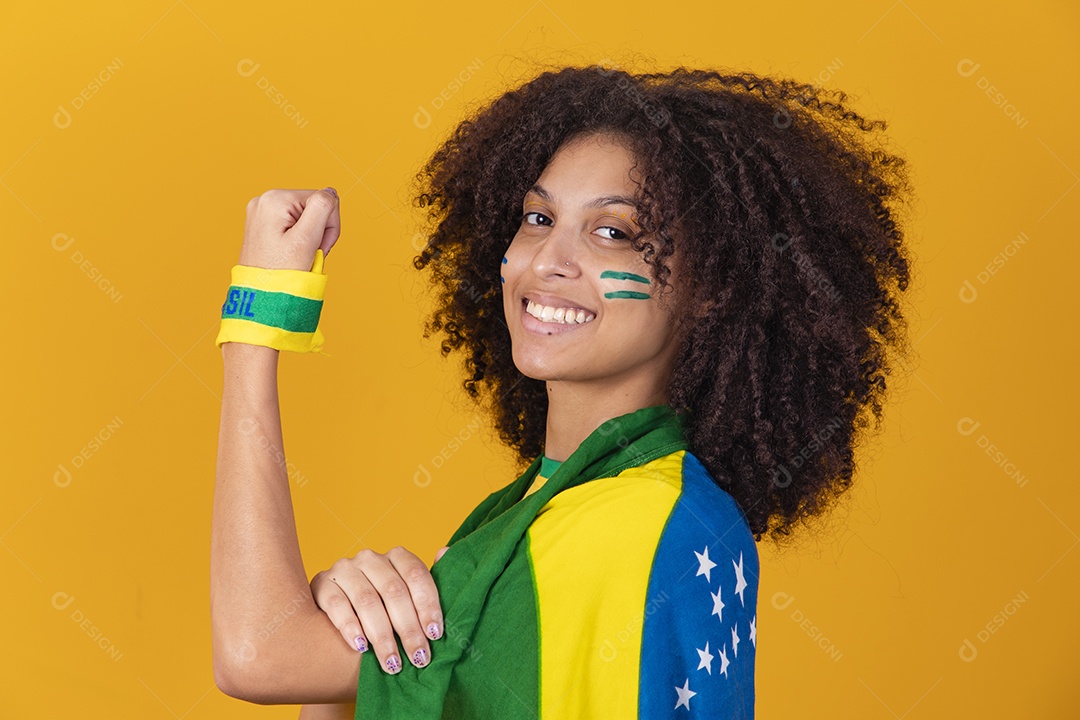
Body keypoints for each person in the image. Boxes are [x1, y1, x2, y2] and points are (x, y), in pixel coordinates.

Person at [210, 64, 914, 719]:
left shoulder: (616, 529)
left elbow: (254, 656)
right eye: (539, 218)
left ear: (710, 290)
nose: (548, 261)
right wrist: (344, 629)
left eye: (612, 232)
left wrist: (259, 317)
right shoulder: (587, 508)